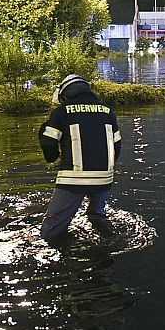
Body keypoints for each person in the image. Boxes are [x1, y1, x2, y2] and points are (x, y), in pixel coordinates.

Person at [38, 74, 122, 244]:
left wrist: (54, 159)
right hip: (104, 178)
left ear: (65, 94)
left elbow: (48, 141)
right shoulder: (107, 111)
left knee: (51, 231)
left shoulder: (62, 112)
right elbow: (117, 145)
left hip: (73, 179)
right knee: (97, 217)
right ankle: (108, 239)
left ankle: (60, 251)